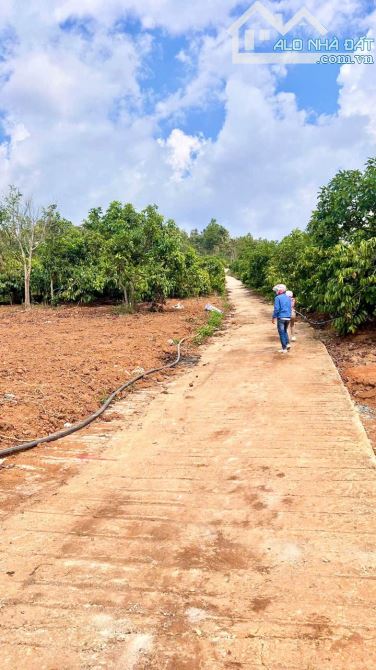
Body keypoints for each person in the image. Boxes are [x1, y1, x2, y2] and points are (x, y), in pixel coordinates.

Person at [272, 284, 291, 353]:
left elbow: (276, 309)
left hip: (281, 318)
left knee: (281, 332)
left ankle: (284, 348)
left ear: (280, 291)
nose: (276, 292)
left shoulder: (277, 298)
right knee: (285, 331)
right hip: (288, 317)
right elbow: (290, 307)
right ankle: (288, 344)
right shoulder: (288, 297)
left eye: (277, 291)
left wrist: (273, 317)